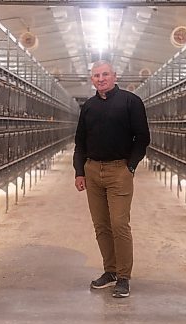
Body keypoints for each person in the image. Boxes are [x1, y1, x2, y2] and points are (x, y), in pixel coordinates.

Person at [73, 60, 150, 298]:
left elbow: (143, 138)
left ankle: (124, 277)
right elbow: (80, 142)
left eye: (105, 74)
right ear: (92, 79)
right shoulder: (89, 107)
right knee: (101, 226)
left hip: (119, 170)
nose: (101, 78)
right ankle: (111, 271)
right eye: (96, 75)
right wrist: (79, 171)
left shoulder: (131, 102)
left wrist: (131, 167)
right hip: (93, 170)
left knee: (119, 224)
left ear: (115, 76)